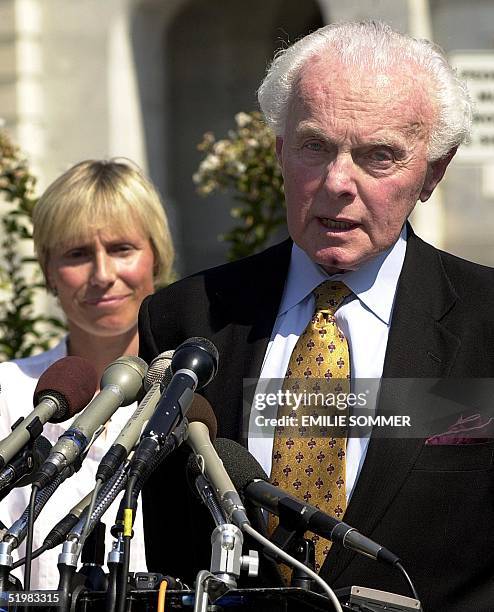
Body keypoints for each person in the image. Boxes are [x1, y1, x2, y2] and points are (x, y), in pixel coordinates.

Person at [139, 21, 494, 612]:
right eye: (315, 146)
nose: (337, 183)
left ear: (433, 172)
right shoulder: (187, 318)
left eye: (378, 156)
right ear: (279, 151)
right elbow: (174, 559)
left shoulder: (485, 323)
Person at [0, 159, 174, 589]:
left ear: (157, 256)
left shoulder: (190, 396)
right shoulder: (8, 391)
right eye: (77, 254)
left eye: (121, 249)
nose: (102, 275)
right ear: (47, 272)